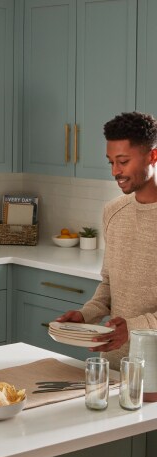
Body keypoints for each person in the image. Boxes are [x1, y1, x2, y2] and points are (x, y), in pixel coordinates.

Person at [55, 111, 157, 368]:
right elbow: (110, 285)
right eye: (111, 161)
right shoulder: (113, 211)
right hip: (113, 364)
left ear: (152, 156)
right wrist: (86, 314)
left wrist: (133, 327)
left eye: (123, 161)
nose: (115, 171)